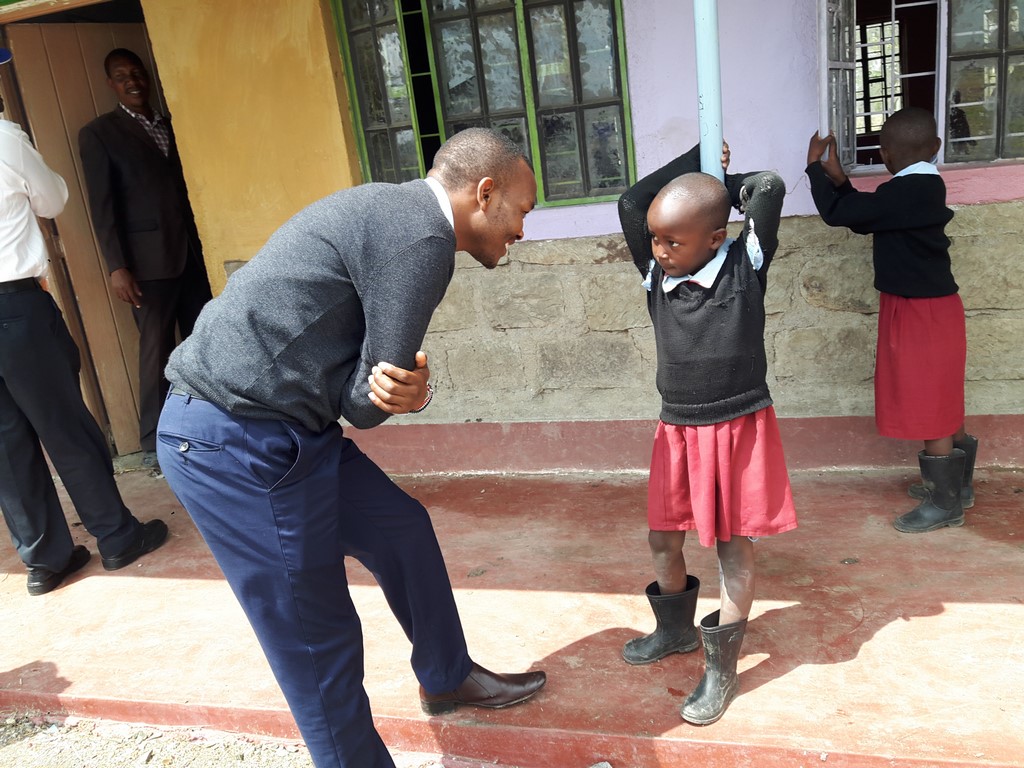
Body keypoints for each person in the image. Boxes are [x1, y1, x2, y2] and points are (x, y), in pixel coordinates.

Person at [156, 127, 546, 768]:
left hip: (289, 428)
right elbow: (365, 405)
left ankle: (446, 676)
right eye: (522, 211)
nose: (522, 231)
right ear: (484, 193)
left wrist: (403, 389)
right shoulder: (424, 240)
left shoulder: (393, 209)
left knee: (402, 530)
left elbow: (365, 385)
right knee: (317, 639)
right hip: (233, 441)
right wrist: (403, 392)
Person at [617, 141, 796, 725]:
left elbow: (767, 187)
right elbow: (631, 202)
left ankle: (722, 668)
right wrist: (695, 156)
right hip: (677, 430)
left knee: (732, 550)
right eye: (656, 239)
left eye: (674, 241)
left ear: (717, 237)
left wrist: (719, 178)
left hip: (738, 427)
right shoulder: (654, 275)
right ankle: (675, 631)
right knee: (662, 540)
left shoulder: (746, 265)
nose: (659, 250)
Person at [0, 47, 167, 596]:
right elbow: (52, 199)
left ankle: (44, 561)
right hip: (15, 308)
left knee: (6, 444)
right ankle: (117, 537)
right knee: (65, 426)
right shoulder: (4, 139)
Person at [806, 107, 977, 534]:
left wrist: (814, 169)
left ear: (883, 154)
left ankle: (944, 504)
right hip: (933, 308)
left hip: (921, 311)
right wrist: (841, 182)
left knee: (929, 401)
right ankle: (958, 488)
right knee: (942, 397)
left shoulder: (905, 191)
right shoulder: (922, 187)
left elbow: (840, 215)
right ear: (935, 147)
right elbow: (867, 218)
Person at [78, 48, 212, 474]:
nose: (132, 81)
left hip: (191, 254)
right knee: (157, 354)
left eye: (136, 73)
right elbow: (102, 207)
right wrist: (117, 266)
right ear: (111, 84)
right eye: (121, 76)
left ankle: (209, 430)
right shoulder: (100, 134)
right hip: (146, 266)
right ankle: (155, 445)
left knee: (202, 344)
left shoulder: (170, 123)